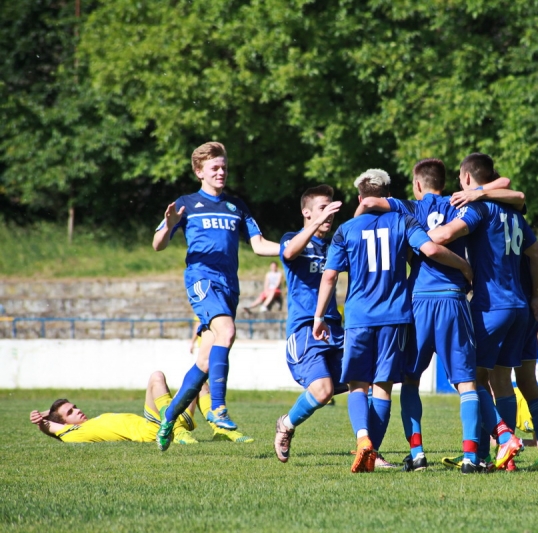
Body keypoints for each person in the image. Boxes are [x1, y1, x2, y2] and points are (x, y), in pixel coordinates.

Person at [355, 159, 526, 474]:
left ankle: (417, 453)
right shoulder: (460, 203)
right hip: (454, 299)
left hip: (418, 301)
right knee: (467, 383)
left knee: (410, 380)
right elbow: (507, 186)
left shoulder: (409, 207)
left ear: (417, 185)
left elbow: (368, 202)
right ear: (446, 183)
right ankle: (473, 455)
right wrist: (478, 193)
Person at [312, 169, 473, 473]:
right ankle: (373, 450)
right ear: (388, 195)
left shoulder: (346, 229)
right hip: (395, 316)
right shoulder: (403, 220)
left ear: (360, 198)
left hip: (359, 316)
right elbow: (430, 249)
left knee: (357, 385)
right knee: (383, 387)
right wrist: (465, 267)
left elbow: (330, 276)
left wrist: (319, 316)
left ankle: (363, 439)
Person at [429, 152, 538, 471]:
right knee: (512, 380)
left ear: (466, 178)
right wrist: (536, 296)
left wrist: (417, 239)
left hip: (492, 306)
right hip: (522, 307)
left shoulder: (479, 209)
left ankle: (482, 453)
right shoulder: (515, 214)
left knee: (473, 379)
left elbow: (444, 235)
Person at [152, 141, 279, 451]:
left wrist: (293, 248)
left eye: (224, 167)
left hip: (229, 286)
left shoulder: (236, 206)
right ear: (199, 172)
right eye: (214, 168)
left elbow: (259, 245)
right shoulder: (186, 204)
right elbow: (157, 244)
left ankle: (168, 417)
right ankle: (218, 408)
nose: (221, 172)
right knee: (227, 331)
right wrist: (169, 226)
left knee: (206, 360)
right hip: (202, 280)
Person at [273, 185, 347, 464]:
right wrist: (317, 222)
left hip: (334, 328)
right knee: (323, 391)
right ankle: (286, 425)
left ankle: (368, 449)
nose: (329, 214)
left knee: (366, 381)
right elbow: (289, 253)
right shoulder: (292, 239)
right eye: (322, 208)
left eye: (331, 208)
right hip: (305, 330)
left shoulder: (334, 246)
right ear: (306, 212)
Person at [29, 371, 198, 444]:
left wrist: (51, 412)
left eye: (75, 407)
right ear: (64, 424)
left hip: (161, 423)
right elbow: (48, 426)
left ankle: (209, 428)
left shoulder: (93, 422)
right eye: (70, 412)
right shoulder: (75, 433)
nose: (78, 410)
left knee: (197, 380)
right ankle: (177, 431)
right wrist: (41, 417)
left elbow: (55, 421)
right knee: (156, 377)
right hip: (152, 429)